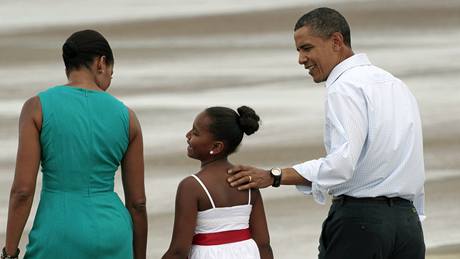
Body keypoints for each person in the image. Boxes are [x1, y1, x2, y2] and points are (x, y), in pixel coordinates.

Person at [228, 7, 425, 259]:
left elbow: (341, 166)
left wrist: (275, 175)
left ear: (336, 41)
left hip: (361, 225)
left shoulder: (344, 87)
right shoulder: (396, 85)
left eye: (307, 48)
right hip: (408, 225)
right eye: (298, 51)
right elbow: (412, 163)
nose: (301, 59)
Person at [2, 30, 147, 259]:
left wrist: (9, 253)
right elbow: (137, 204)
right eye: (112, 72)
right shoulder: (128, 118)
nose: (109, 79)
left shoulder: (37, 107)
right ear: (101, 63)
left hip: (58, 232)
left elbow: (22, 191)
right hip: (113, 234)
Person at [162, 106, 273, 259]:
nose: (187, 135)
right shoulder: (247, 181)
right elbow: (263, 244)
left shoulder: (192, 186)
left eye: (195, 133)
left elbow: (179, 251)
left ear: (216, 146)